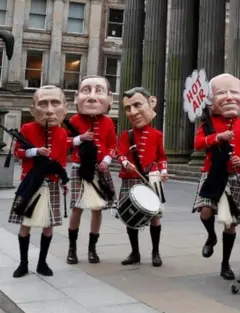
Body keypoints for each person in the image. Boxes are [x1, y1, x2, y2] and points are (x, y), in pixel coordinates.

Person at [193, 73, 240, 280]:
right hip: (212, 172)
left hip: (233, 176)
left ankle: (225, 264)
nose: (229, 97)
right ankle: (211, 237)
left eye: (234, 92)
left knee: (231, 224)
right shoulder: (208, 122)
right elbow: (199, 143)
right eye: (221, 93)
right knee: (205, 212)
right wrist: (216, 137)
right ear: (211, 100)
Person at [9, 85, 69, 277]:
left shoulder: (62, 133)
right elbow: (17, 153)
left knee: (48, 225)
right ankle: (23, 263)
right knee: (25, 223)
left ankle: (42, 263)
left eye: (55, 104)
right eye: (43, 104)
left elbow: (61, 160)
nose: (49, 110)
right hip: (31, 182)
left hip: (51, 183)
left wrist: (63, 181)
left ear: (64, 108)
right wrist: (35, 151)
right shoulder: (27, 128)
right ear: (33, 108)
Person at [65, 75, 117, 265]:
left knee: (97, 209)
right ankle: (72, 249)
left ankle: (92, 249)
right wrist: (80, 139)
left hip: (100, 169)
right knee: (77, 207)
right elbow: (64, 141)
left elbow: (113, 144)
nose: (93, 97)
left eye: (99, 91)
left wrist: (107, 158)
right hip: (80, 167)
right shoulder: (75, 119)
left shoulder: (108, 122)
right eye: (86, 91)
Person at [117, 87, 168, 267]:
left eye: (137, 105)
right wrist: (125, 162)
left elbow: (161, 157)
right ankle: (135, 253)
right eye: (128, 109)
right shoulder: (126, 135)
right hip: (130, 178)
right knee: (131, 216)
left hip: (152, 178)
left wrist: (163, 170)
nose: (132, 113)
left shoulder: (157, 135)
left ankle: (155, 252)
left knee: (155, 216)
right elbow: (120, 154)